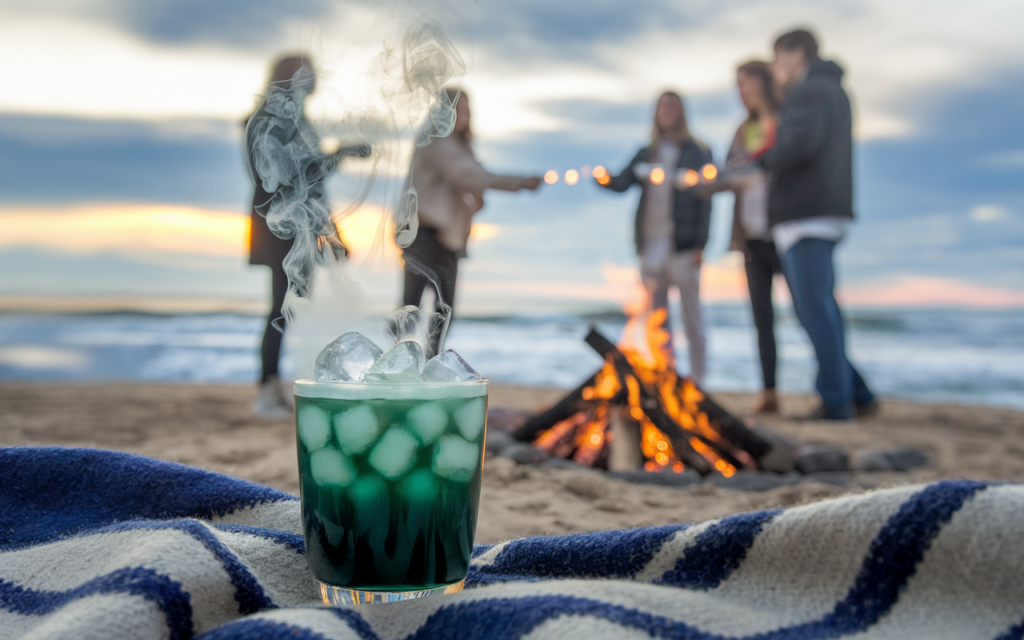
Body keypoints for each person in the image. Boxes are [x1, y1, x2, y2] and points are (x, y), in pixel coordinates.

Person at [759, 29, 877, 420]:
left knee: (814, 310)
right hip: (819, 213)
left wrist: (762, 159)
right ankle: (856, 392)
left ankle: (835, 400)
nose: (776, 69)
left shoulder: (811, 91)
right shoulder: (831, 90)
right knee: (820, 308)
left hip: (808, 215)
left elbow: (798, 145)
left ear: (796, 53)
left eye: (778, 58)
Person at [598, 91, 713, 383]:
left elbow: (705, 199)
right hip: (650, 246)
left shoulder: (697, 152)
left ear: (682, 112)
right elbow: (622, 182)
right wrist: (602, 178)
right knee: (657, 317)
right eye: (663, 106)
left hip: (684, 245)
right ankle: (667, 374)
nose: (668, 111)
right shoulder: (645, 153)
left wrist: (701, 243)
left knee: (692, 317)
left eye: (673, 105)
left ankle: (699, 379)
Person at [402, 87, 542, 319]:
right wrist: (520, 182)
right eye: (459, 109)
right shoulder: (436, 143)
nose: (464, 115)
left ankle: (426, 356)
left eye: (466, 110)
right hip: (425, 236)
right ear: (444, 112)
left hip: (444, 239)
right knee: (414, 310)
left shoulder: (456, 148)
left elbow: (471, 181)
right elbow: (472, 176)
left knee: (441, 312)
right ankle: (407, 355)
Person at [720, 60, 784, 413]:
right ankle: (769, 392)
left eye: (745, 82)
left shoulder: (785, 120)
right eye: (738, 84)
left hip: (785, 231)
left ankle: (844, 387)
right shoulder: (744, 129)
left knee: (810, 313)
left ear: (763, 82)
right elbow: (728, 173)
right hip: (750, 236)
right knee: (762, 318)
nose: (741, 91)